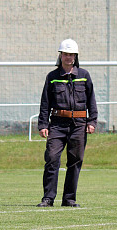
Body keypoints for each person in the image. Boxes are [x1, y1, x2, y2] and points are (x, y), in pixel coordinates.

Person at [37, 39, 98, 208]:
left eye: (71, 54)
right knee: (51, 158)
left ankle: (69, 199)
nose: (68, 57)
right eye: (65, 54)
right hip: (57, 123)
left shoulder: (84, 76)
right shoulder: (52, 77)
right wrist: (43, 124)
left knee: (75, 160)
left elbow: (92, 101)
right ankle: (48, 198)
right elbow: (45, 103)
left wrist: (92, 121)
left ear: (75, 56)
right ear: (60, 55)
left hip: (79, 123)